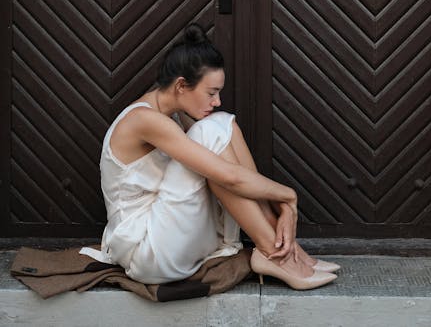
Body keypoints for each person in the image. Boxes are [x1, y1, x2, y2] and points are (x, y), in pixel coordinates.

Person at [80, 24, 339, 290]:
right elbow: (228, 176)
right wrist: (288, 196)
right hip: (148, 251)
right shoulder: (145, 120)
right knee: (211, 131)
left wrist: (282, 205)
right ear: (181, 85)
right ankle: (272, 251)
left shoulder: (172, 117)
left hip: (170, 232)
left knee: (223, 124)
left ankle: (285, 248)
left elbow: (228, 168)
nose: (217, 100)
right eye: (211, 92)